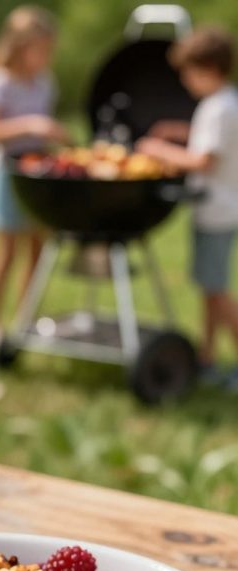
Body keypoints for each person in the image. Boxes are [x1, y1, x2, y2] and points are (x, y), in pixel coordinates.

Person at [137, 25, 238, 388]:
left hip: (217, 210)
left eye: (188, 72)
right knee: (209, 288)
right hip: (218, 209)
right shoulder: (224, 102)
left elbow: (203, 161)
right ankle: (207, 357)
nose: (185, 81)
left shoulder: (219, 108)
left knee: (217, 290)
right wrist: (179, 131)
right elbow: (212, 144)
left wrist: (159, 151)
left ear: (208, 68)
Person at [0, 5, 68, 349]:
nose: (45, 57)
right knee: (7, 250)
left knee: (38, 250)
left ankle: (26, 318)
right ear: (19, 46)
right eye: (40, 49)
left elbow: (42, 130)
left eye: (49, 50)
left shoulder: (44, 82)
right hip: (7, 172)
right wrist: (30, 125)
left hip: (37, 171)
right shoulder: (0, 81)